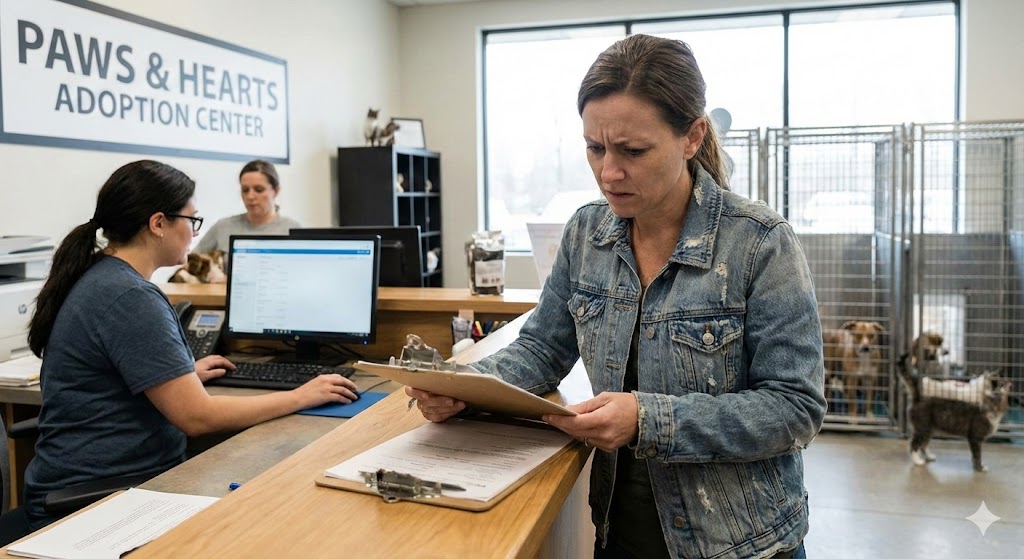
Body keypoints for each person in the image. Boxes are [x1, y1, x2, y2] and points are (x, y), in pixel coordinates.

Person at [407, 35, 825, 559]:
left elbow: (794, 407)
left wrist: (649, 420)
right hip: (620, 528)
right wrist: (464, 387)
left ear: (692, 136)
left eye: (633, 151)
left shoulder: (759, 242)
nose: (608, 172)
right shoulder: (587, 232)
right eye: (594, 147)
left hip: (739, 541)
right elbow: (542, 347)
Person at [4, 160, 357, 538]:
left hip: (94, 482)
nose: (193, 232)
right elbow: (197, 418)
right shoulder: (130, 296)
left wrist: (179, 373)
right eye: (191, 219)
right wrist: (302, 395)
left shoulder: (99, 275)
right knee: (274, 512)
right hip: (104, 501)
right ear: (158, 224)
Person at [193, 159, 302, 254]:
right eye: (245, 190)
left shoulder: (292, 230)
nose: (250, 196)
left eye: (259, 190)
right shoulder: (223, 227)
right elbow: (188, 263)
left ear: (276, 191)